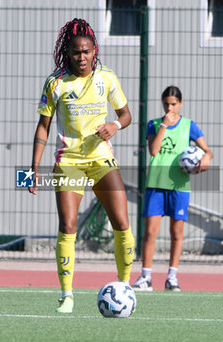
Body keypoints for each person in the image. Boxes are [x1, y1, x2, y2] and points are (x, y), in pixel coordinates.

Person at [29, 18, 134, 312]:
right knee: (68, 225)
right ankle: (67, 295)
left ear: (94, 50)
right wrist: (32, 170)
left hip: (102, 159)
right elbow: (43, 127)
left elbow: (126, 115)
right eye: (76, 52)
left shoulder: (107, 78)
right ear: (68, 52)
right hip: (69, 161)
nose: (82, 57)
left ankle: (124, 287)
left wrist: (114, 125)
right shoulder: (56, 82)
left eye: (87, 51)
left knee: (122, 223)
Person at [133, 86, 213, 291]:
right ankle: (146, 277)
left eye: (173, 104)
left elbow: (208, 151)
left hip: (179, 186)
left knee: (177, 233)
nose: (170, 107)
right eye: (166, 103)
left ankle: (172, 277)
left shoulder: (189, 126)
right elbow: (154, 151)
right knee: (150, 233)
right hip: (156, 184)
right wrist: (164, 127)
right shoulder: (154, 124)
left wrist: (206, 158)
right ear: (162, 104)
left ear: (181, 103)